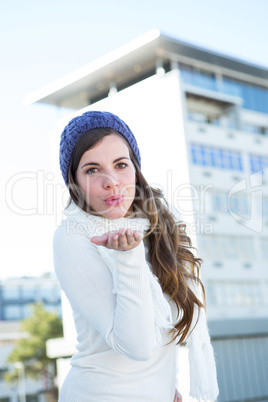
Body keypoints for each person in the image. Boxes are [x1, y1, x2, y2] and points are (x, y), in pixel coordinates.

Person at [53, 110, 219, 402]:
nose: (111, 181)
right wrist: (127, 258)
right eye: (92, 169)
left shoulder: (157, 227)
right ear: (74, 182)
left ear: (136, 169)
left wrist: (165, 386)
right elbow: (136, 346)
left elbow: (161, 331)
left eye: (120, 165)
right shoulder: (73, 237)